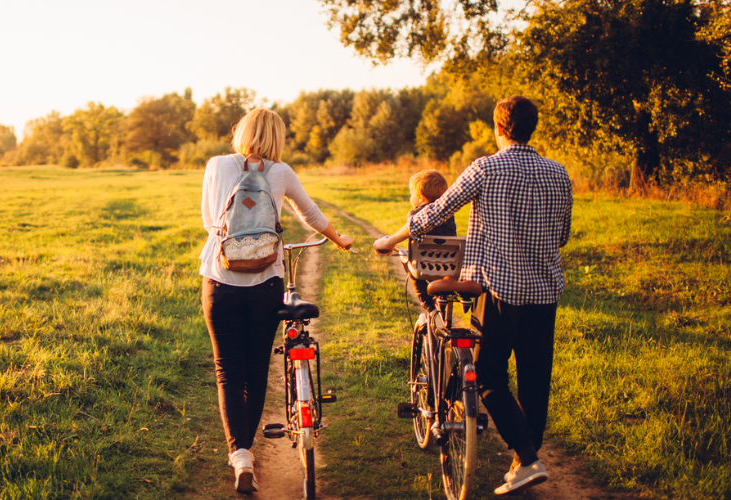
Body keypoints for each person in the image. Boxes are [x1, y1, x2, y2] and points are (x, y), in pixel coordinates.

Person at [373, 95, 572, 495]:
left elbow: (430, 214)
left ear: (498, 128)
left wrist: (388, 240)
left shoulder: (485, 168)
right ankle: (523, 459)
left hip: (497, 289)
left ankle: (527, 458)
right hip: (545, 292)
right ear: (532, 128)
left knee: (487, 374)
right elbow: (562, 235)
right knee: (535, 379)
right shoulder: (558, 173)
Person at [200, 108, 354, 493]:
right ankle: (248, 445)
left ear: (242, 132)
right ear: (277, 138)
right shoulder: (281, 172)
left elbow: (208, 221)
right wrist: (340, 240)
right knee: (255, 371)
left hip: (220, 280)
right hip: (265, 284)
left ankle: (241, 458)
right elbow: (311, 214)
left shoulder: (216, 165)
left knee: (227, 373)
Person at [404, 169, 457, 312]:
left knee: (413, 272)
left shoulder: (414, 214)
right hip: (449, 264)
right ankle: (445, 299)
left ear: (420, 197)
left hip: (425, 263)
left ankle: (427, 303)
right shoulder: (448, 214)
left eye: (411, 194)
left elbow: (414, 236)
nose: (411, 198)